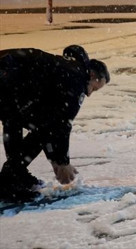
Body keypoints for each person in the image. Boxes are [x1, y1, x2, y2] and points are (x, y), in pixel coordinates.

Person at [0, 45, 110, 202]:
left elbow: (51, 123)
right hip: (7, 77)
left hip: (7, 75)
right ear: (92, 74)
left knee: (15, 121)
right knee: (38, 130)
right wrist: (62, 162)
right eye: (94, 88)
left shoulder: (67, 70)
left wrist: (56, 160)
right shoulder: (76, 80)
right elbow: (61, 125)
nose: (89, 94)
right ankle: (8, 181)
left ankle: (14, 175)